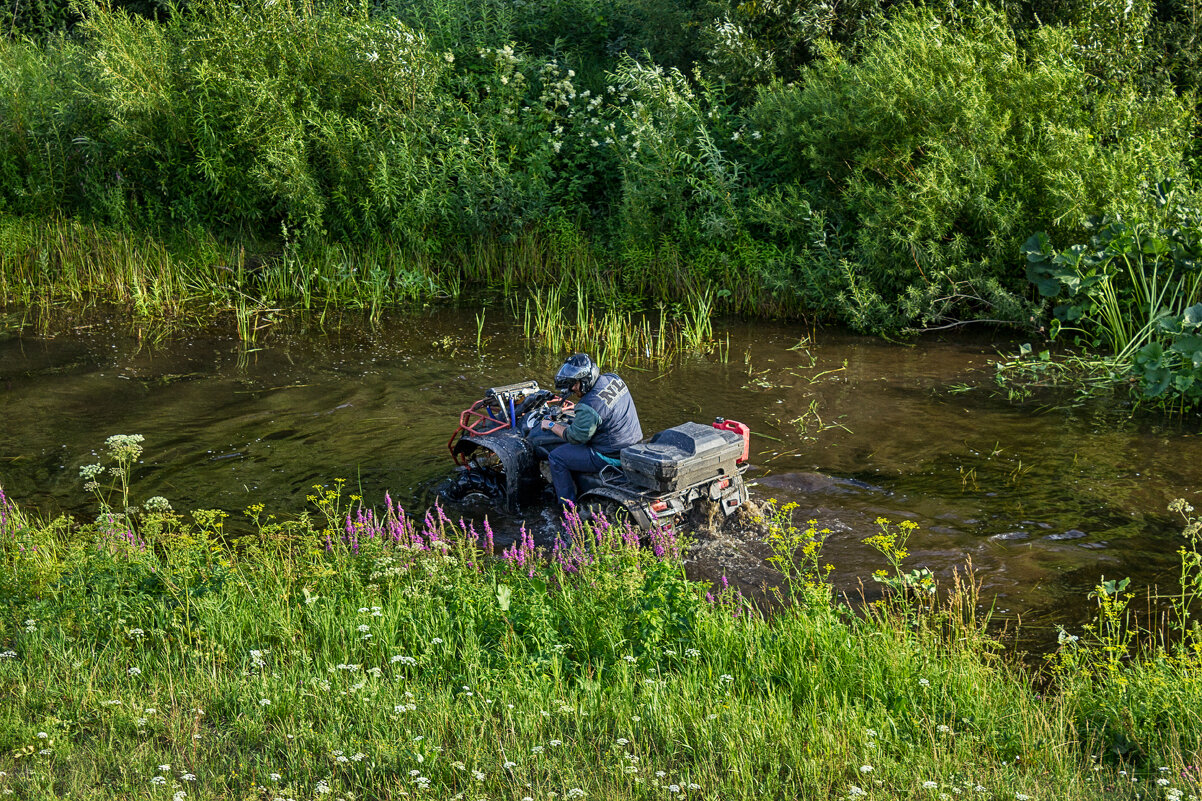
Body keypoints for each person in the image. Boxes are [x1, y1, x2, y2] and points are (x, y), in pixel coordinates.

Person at [540, 353, 643, 507]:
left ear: (585, 380)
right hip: (633, 442)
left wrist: (550, 425)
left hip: (610, 454)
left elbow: (575, 437)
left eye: (575, 384)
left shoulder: (590, 406)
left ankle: (568, 508)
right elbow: (605, 408)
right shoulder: (613, 379)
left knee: (557, 457)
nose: (573, 389)